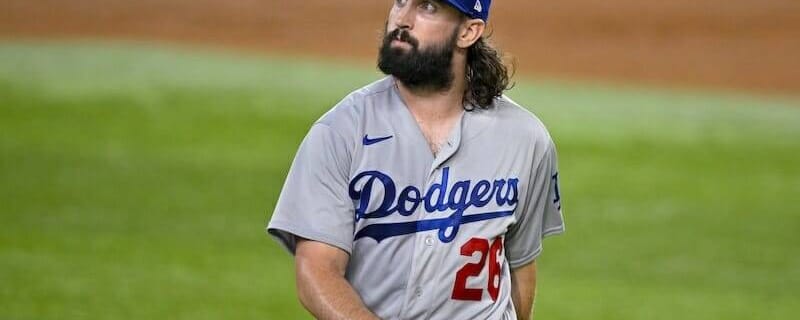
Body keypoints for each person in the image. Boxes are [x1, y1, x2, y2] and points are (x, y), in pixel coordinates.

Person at [267, 0, 565, 319]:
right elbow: (317, 270)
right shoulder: (340, 132)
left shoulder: (525, 138)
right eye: (400, 2)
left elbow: (520, 263)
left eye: (427, 7)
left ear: (468, 31)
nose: (402, 19)